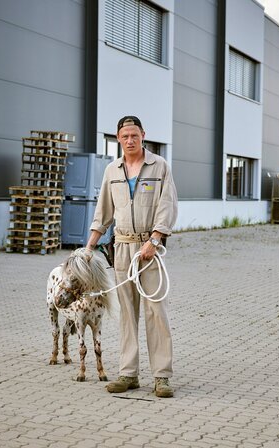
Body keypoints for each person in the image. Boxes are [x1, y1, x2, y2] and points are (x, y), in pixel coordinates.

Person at [86, 115, 178, 398]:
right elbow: (103, 212)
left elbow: (167, 205)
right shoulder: (112, 170)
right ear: (118, 138)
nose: (129, 141)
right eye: (125, 136)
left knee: (156, 312)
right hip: (123, 248)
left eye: (134, 136)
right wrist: (89, 247)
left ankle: (161, 377)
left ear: (143, 136)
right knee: (127, 313)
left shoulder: (159, 166)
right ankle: (128, 374)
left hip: (149, 250)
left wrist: (155, 239)